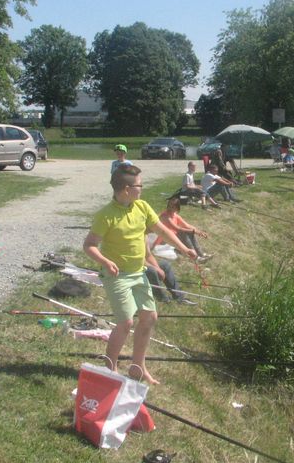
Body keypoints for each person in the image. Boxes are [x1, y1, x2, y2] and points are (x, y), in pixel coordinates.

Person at [83, 165, 197, 385]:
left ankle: (139, 367)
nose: (142, 188)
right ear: (127, 189)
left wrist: (184, 249)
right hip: (116, 276)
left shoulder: (142, 207)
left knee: (149, 317)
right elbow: (89, 245)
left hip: (138, 273)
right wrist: (105, 261)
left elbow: (162, 231)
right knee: (125, 322)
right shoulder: (106, 215)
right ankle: (110, 369)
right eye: (139, 185)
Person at [157, 196, 212, 263]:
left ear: (177, 207)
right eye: (169, 206)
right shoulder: (165, 216)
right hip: (164, 239)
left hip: (172, 237)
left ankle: (200, 254)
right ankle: (195, 257)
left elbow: (187, 225)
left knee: (188, 232)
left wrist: (198, 231)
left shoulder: (174, 214)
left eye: (173, 206)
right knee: (183, 232)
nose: (170, 208)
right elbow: (177, 228)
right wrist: (193, 231)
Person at [144, 234, 195, 305]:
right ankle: (162, 298)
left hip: (142, 264)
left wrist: (158, 268)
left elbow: (148, 255)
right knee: (151, 271)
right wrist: (156, 269)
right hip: (130, 270)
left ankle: (179, 297)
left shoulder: (143, 235)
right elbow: (136, 260)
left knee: (164, 265)